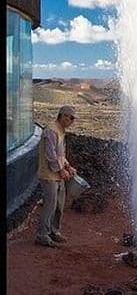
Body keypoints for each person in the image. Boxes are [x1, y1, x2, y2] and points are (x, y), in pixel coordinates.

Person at [35, 105, 77, 247]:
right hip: (49, 175)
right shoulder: (51, 130)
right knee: (50, 204)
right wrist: (60, 170)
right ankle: (42, 235)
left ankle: (54, 231)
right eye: (71, 118)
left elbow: (60, 154)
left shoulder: (60, 131)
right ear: (63, 116)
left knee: (59, 205)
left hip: (58, 175)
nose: (72, 121)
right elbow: (50, 155)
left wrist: (68, 166)